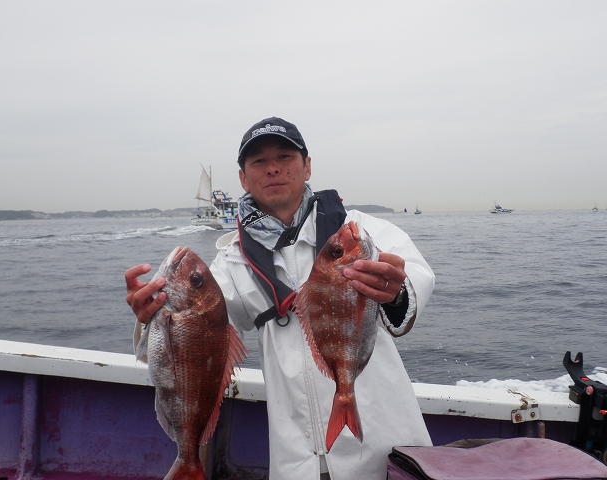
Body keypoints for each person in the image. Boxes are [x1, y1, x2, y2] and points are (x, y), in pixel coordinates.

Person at [125, 117, 435, 480]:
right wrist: (152, 315)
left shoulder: (358, 233)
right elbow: (191, 339)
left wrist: (396, 292)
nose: (272, 168)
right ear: (243, 178)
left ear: (307, 167)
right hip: (294, 459)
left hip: (386, 441)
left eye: (285, 156)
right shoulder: (231, 261)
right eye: (258, 161)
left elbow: (416, 274)